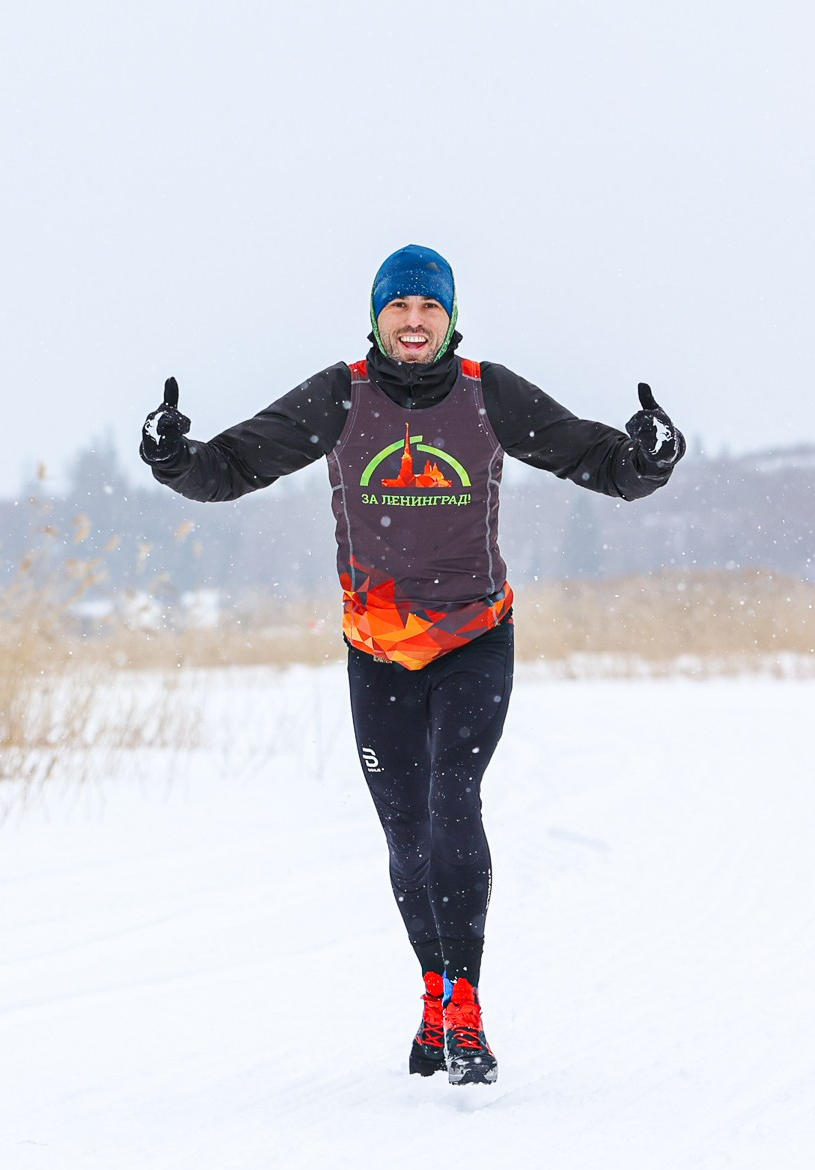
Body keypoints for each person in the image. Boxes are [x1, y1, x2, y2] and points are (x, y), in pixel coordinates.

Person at [139, 244, 684, 1085]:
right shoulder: (341, 395)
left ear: (451, 317)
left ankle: (465, 1008)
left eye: (430, 306)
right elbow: (232, 467)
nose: (415, 320)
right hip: (376, 650)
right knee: (405, 831)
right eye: (399, 306)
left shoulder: (488, 393)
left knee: (451, 796)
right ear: (377, 316)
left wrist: (647, 458)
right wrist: (176, 458)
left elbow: (598, 461)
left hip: (474, 637)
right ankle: (434, 993)